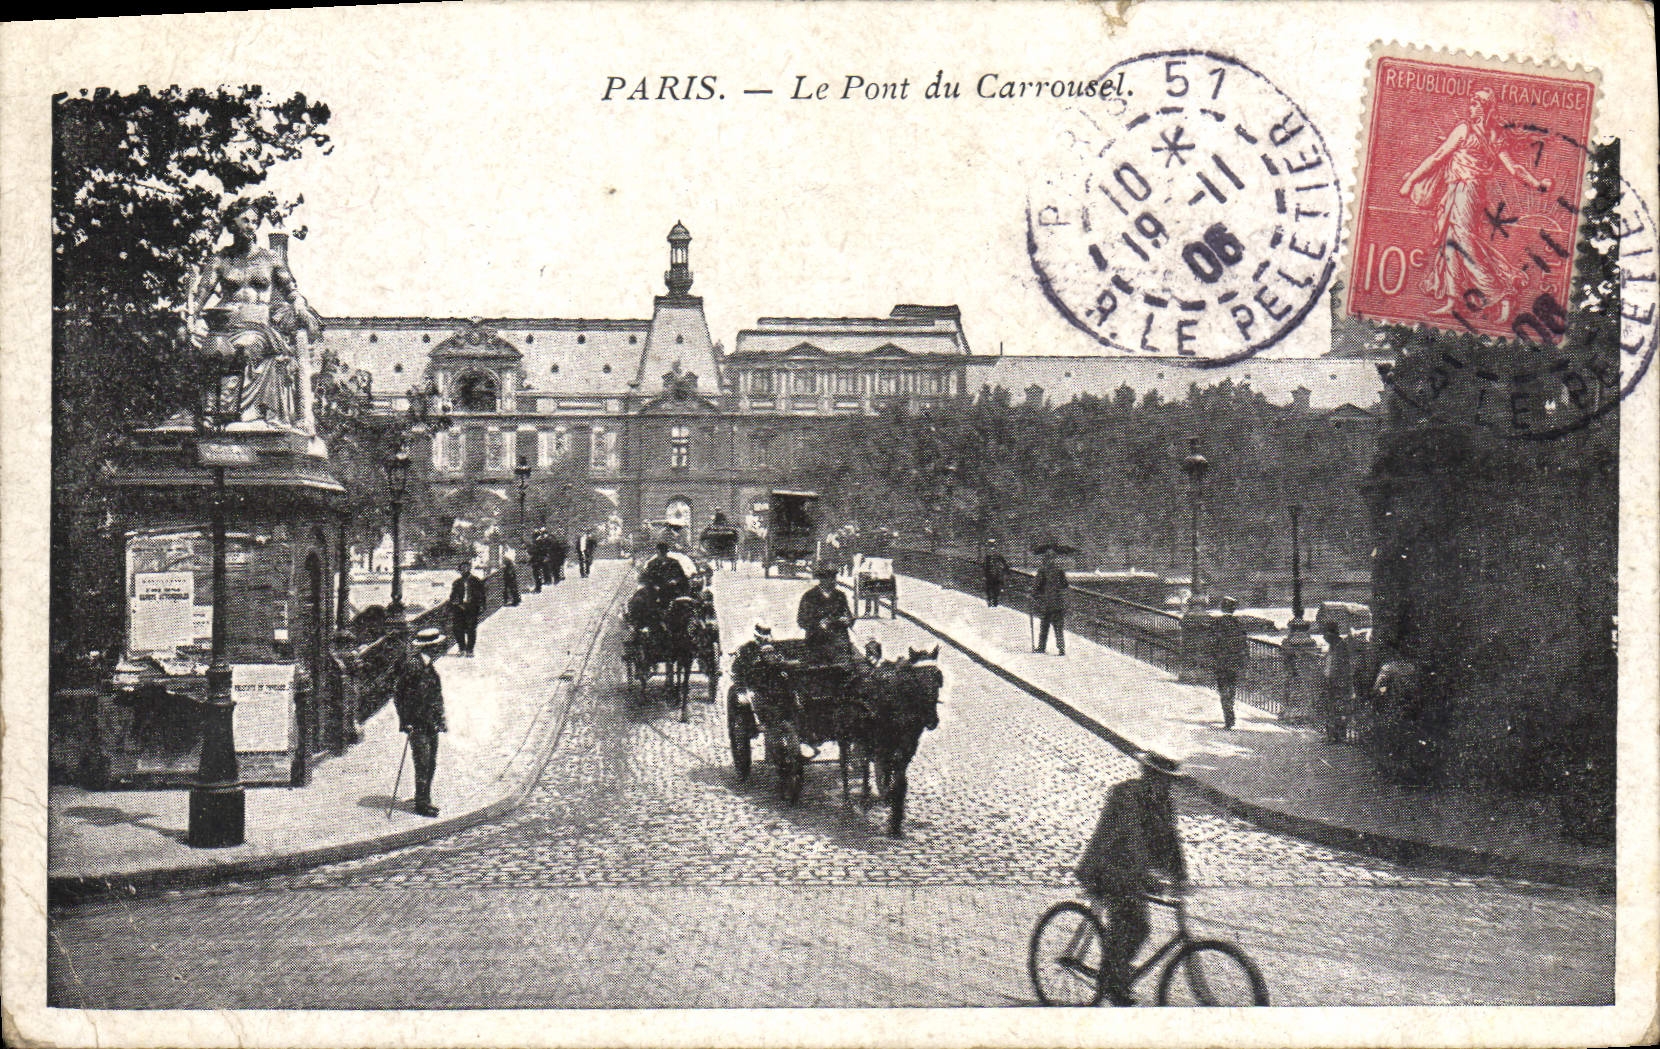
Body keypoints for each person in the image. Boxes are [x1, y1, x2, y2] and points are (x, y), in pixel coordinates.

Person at [1399, 87, 1553, 324]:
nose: (1470, 108)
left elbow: (1439, 157)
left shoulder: (1475, 132)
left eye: (1474, 104)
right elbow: (1441, 155)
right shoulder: (1484, 134)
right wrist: (1536, 183)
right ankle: (1452, 300)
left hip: (1468, 191)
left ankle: (1500, 292)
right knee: (1450, 241)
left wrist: (1410, 181)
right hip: (1457, 190)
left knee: (1464, 242)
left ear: (1484, 108)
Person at [185, 203, 324, 430]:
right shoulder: (220, 260)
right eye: (245, 221)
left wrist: (299, 304)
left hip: (258, 327)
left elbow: (291, 290)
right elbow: (201, 295)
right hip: (225, 326)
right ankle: (210, 414)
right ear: (232, 225)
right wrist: (191, 317)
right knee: (209, 349)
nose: (251, 226)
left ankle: (242, 415)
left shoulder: (269, 259)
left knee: (245, 347)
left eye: (254, 221)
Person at [1074, 750, 1188, 1006]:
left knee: (1137, 926)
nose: (1165, 785)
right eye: (1160, 778)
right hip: (1105, 866)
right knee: (1132, 922)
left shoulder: (1163, 801)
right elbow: (1132, 837)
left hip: (1130, 871)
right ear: (1147, 774)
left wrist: (1181, 876)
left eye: (1168, 780)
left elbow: (1171, 840)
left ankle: (1114, 972)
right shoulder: (1126, 796)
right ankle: (1112, 981)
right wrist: (1145, 875)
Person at [393, 627, 449, 817]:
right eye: (436, 646)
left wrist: (440, 718)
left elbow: (435, 695)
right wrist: (405, 721)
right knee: (423, 763)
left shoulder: (428, 665)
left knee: (431, 762)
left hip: (430, 722)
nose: (439, 649)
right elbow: (399, 695)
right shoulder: (413, 666)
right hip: (417, 723)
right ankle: (421, 803)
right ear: (429, 647)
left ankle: (425, 797)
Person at [797, 562, 855, 663]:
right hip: (817, 640)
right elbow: (802, 620)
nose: (833, 581)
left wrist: (848, 620)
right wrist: (818, 624)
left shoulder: (840, 596)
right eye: (829, 578)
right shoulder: (810, 596)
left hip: (839, 642)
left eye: (834, 577)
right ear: (821, 579)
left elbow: (848, 615)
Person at [1210, 596, 1247, 730]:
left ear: (1222, 608)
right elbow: (1244, 643)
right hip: (1235, 662)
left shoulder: (1217, 623)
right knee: (1231, 688)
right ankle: (1230, 712)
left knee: (1223, 689)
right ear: (1233, 609)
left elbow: (1212, 642)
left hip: (1221, 662)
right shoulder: (1238, 623)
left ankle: (1228, 717)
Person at [1321, 621, 1354, 743]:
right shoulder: (1334, 645)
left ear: (1331, 634)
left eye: (1325, 634)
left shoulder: (1340, 646)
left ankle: (1338, 735)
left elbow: (1342, 667)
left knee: (1337, 709)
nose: (1324, 637)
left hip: (1338, 683)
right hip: (1331, 681)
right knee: (1331, 709)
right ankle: (1332, 735)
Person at [1033, 548, 1069, 655]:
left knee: (1044, 626)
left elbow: (1036, 586)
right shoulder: (1059, 571)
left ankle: (1041, 647)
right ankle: (1061, 649)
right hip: (1058, 602)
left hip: (1047, 603)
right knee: (1058, 627)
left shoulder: (1042, 571)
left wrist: (1034, 595)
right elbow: (1065, 585)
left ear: (1045, 559)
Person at [447, 560, 485, 657]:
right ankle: (462, 648)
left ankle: (470, 650)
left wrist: (481, 606)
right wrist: (455, 603)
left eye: (466, 567)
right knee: (457, 629)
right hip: (459, 608)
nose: (464, 570)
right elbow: (452, 597)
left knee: (471, 629)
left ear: (469, 568)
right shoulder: (456, 583)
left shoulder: (476, 580)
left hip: (472, 607)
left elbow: (482, 595)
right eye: (462, 568)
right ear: (460, 570)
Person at [982, 539, 1010, 608]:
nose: (992, 548)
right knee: (992, 589)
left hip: (994, 575)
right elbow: (985, 565)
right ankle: (992, 602)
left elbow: (1004, 563)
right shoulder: (991, 555)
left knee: (993, 589)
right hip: (992, 575)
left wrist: (1006, 569)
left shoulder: (993, 555)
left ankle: (992, 602)